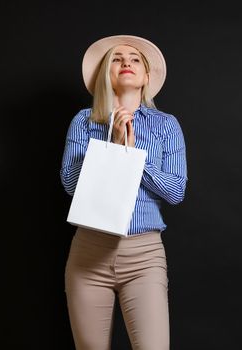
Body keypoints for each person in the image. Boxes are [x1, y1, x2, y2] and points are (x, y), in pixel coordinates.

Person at [60, 34, 187, 350]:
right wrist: (112, 145)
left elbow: (175, 191)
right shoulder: (84, 122)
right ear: (107, 73)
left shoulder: (166, 125)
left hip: (144, 257)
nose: (126, 63)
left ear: (146, 76)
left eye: (135, 60)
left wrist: (131, 155)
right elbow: (71, 186)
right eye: (116, 59)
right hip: (88, 255)